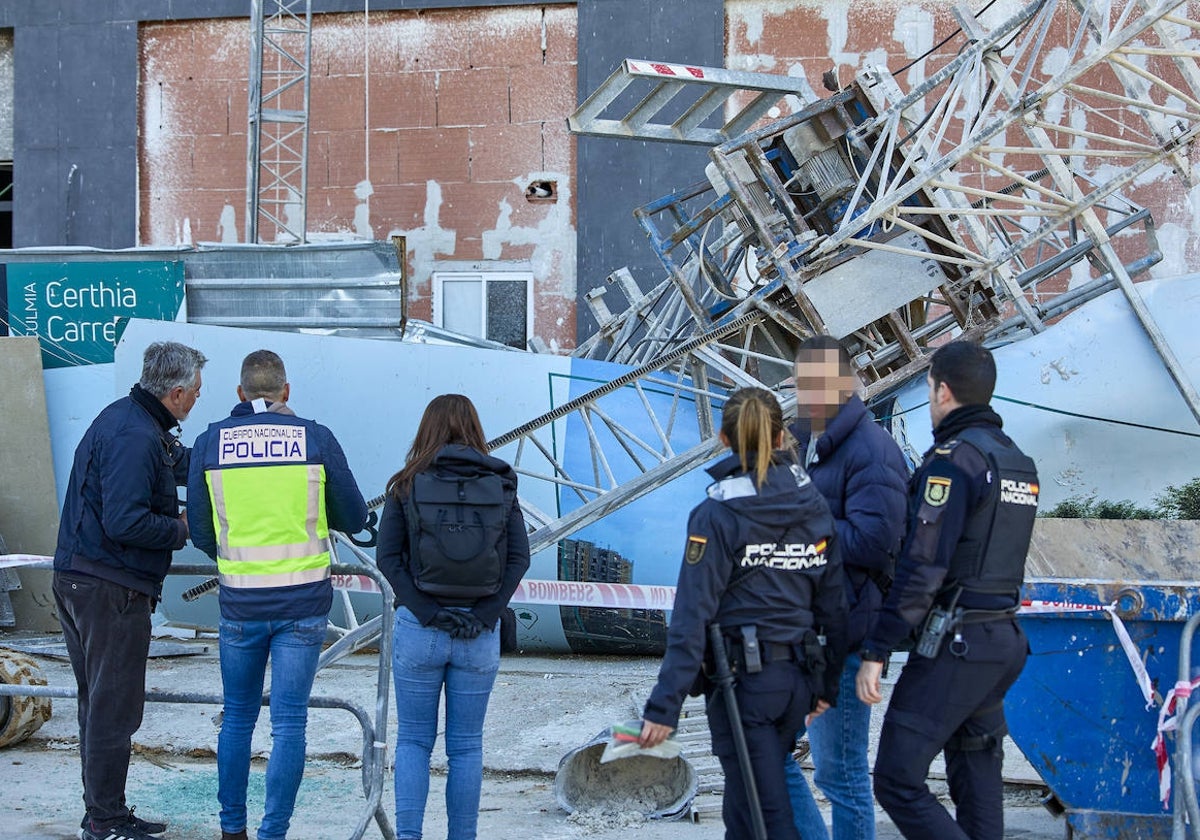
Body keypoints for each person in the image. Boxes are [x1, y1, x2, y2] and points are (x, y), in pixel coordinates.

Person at [639, 386, 847, 840]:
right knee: (743, 810)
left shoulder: (715, 514)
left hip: (746, 686)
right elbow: (834, 603)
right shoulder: (813, 504)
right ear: (780, 438)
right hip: (796, 681)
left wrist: (662, 708)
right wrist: (825, 685)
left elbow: (691, 616)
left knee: (766, 820)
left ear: (722, 438)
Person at [856, 341, 1039, 840]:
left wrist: (878, 648)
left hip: (956, 644)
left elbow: (924, 567)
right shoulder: (1016, 461)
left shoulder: (952, 461)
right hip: (1001, 640)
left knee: (896, 779)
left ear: (942, 391)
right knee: (975, 771)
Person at [187, 350, 368, 840]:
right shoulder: (316, 438)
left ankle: (231, 830)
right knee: (289, 725)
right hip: (302, 606)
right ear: (286, 392)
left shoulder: (209, 442)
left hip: (241, 603)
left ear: (240, 394)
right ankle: (274, 833)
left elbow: (202, 531)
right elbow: (353, 517)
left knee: (237, 718)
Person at [53, 340, 206, 840]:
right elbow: (125, 522)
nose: (198, 400)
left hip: (89, 579)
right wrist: (184, 527)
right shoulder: (134, 436)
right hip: (108, 586)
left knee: (100, 707)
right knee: (113, 710)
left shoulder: (141, 425)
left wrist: (237, 450)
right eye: (197, 392)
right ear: (178, 392)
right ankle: (106, 822)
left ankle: (103, 811)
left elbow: (188, 467)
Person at [375, 393, 530, 840]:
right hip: (477, 634)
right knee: (465, 747)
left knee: (414, 742)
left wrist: (427, 612)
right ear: (475, 429)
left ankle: (408, 836)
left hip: (419, 629)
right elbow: (518, 556)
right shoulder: (501, 483)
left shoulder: (407, 483)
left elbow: (388, 558)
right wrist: (484, 615)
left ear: (427, 429)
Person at [785, 336, 909, 840]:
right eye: (801, 384)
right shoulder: (805, 440)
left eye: (818, 383)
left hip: (847, 636)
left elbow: (874, 543)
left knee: (842, 776)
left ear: (845, 382)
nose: (808, 394)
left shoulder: (873, 450)